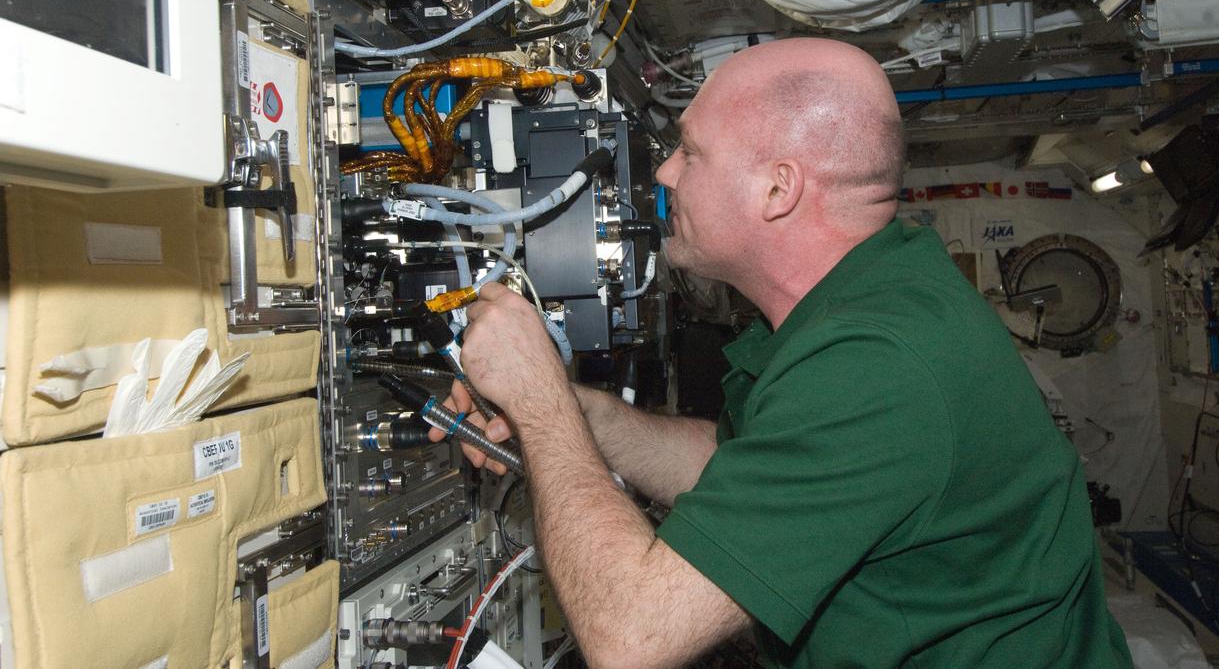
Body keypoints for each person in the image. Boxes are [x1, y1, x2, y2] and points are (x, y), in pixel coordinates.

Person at [433, 38, 1134, 669]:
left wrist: (539, 403)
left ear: (778, 189)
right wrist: (572, 409)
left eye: (691, 151)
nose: (668, 173)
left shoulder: (877, 363)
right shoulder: (868, 298)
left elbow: (632, 638)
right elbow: (750, 469)